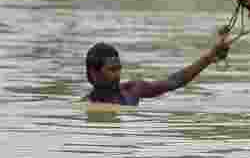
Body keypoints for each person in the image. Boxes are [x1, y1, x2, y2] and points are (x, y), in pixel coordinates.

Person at [82, 34, 229, 106]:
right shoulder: (85, 105)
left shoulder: (132, 91)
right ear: (94, 73)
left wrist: (209, 58)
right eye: (112, 70)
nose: (118, 75)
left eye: (119, 69)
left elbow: (174, 81)